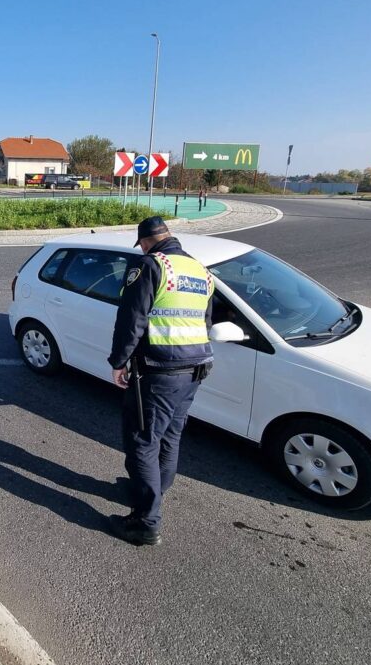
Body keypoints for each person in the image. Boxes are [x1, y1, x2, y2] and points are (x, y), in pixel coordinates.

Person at [107, 216, 215, 546]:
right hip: (196, 367)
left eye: (141, 244)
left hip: (159, 371)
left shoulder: (152, 265)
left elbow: (132, 319)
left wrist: (119, 362)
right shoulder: (201, 270)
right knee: (170, 435)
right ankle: (152, 490)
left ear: (146, 241)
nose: (141, 248)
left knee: (142, 441)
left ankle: (146, 522)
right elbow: (206, 321)